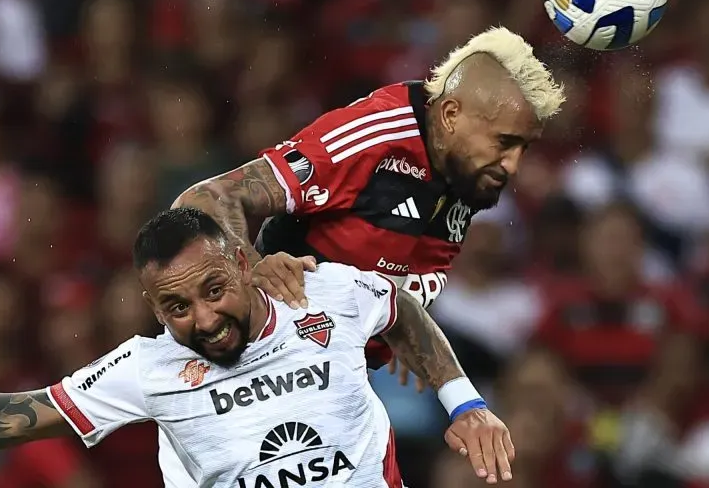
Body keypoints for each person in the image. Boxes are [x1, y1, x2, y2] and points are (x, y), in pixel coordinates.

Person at [0, 208, 514, 486]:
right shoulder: (148, 366)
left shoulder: (320, 294)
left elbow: (403, 315)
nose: (202, 319)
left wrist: (467, 404)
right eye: (174, 308)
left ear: (239, 261)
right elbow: (17, 413)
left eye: (212, 291)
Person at [173, 26, 561, 443]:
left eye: (525, 148)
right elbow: (206, 197)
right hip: (251, 379)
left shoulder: (467, 173)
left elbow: (400, 300)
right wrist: (251, 267)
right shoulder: (374, 138)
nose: (513, 165)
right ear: (450, 115)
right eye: (505, 143)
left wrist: (459, 398)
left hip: (335, 386)